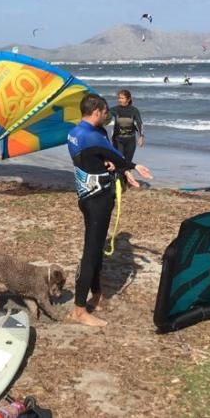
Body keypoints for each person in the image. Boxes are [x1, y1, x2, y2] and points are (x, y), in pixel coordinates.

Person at [66, 93, 151, 327]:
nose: (107, 116)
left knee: (95, 246)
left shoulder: (75, 133)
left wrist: (107, 164)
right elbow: (118, 156)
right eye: (105, 113)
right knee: (92, 253)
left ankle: (96, 294)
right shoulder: (93, 136)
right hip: (98, 200)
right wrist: (133, 166)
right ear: (96, 112)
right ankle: (79, 311)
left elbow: (93, 158)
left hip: (85, 197)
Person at [108, 89, 144, 165]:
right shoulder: (114, 110)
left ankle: (125, 176)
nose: (119, 100)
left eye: (122, 98)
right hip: (118, 139)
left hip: (130, 140)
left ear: (128, 99)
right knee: (119, 159)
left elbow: (139, 123)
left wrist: (141, 137)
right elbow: (105, 117)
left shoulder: (134, 110)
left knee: (128, 162)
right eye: (119, 98)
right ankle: (118, 176)